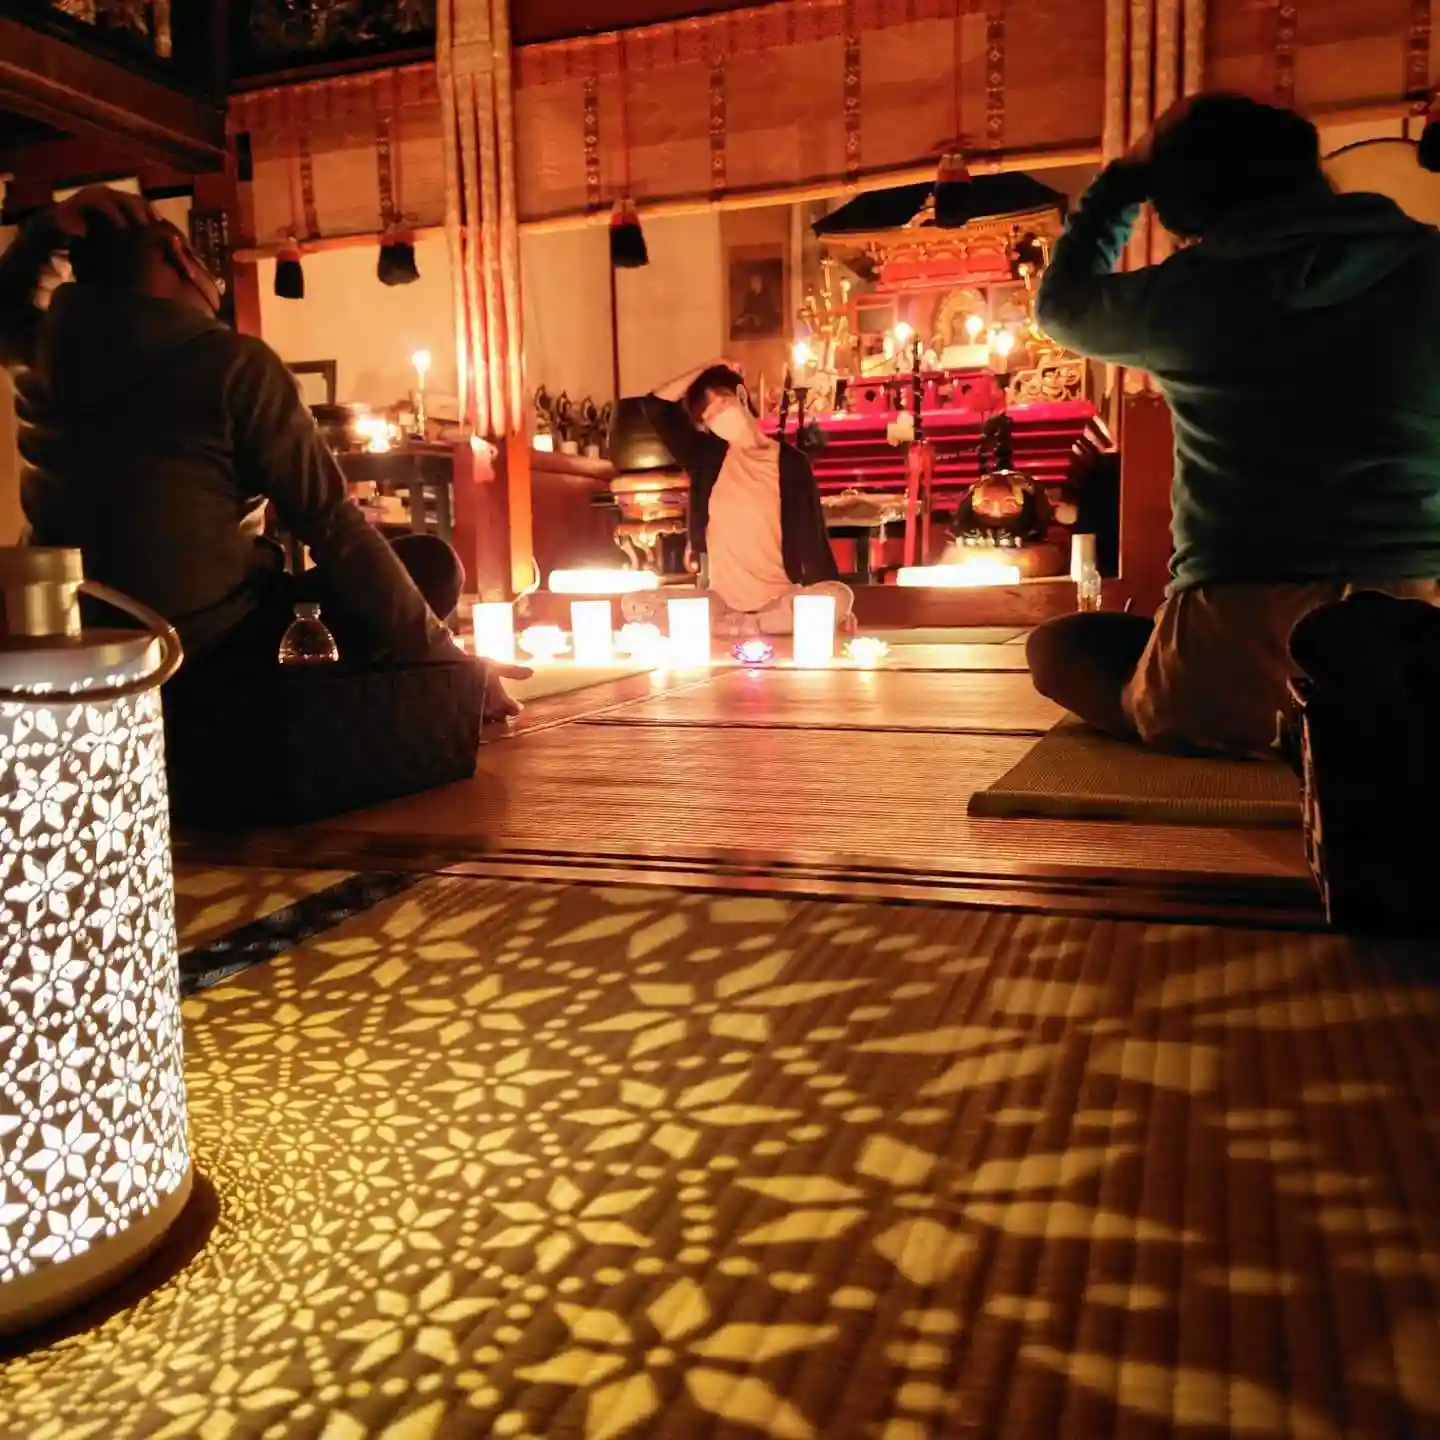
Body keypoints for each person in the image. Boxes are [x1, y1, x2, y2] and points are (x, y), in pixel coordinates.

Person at [0, 187, 528, 717]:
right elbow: (334, 526)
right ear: (178, 256)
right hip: (214, 656)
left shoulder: (42, 351)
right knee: (431, 565)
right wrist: (450, 665)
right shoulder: (231, 362)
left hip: (84, 649)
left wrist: (46, 229)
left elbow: (6, 303)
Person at [1026, 93, 1440, 754]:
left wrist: (1122, 182)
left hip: (1229, 656)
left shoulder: (1186, 295)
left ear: (1186, 207)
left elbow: (1060, 306)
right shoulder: (1426, 261)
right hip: (1415, 629)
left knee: (1058, 647)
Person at [629, 360, 852, 637]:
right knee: (637, 603)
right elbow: (656, 406)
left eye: (722, 405)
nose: (718, 418)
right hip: (721, 604)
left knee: (840, 596)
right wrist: (707, 365)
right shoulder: (708, 458)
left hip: (780, 601)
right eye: (709, 417)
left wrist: (836, 607)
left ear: (742, 396)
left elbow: (814, 539)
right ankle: (743, 627)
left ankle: (745, 627)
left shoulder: (791, 464)